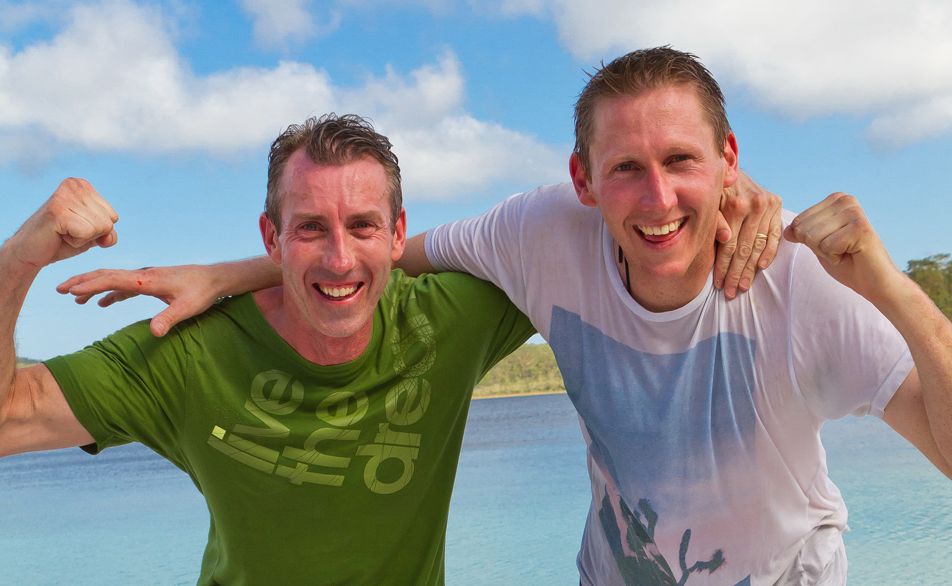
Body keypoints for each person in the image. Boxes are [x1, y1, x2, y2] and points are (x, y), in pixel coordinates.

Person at [74, 48, 952, 584]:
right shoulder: (540, 236)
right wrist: (222, 275)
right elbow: (364, 255)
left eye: (682, 160)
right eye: (625, 169)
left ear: (729, 159)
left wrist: (889, 285)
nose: (657, 197)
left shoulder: (798, 285)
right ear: (582, 181)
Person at [0, 114, 537, 585]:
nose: (341, 258)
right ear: (271, 237)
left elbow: (581, 236)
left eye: (362, 226)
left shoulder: (446, 318)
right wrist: (17, 260)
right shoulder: (188, 352)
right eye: (310, 228)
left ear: (398, 233)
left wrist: (229, 273)